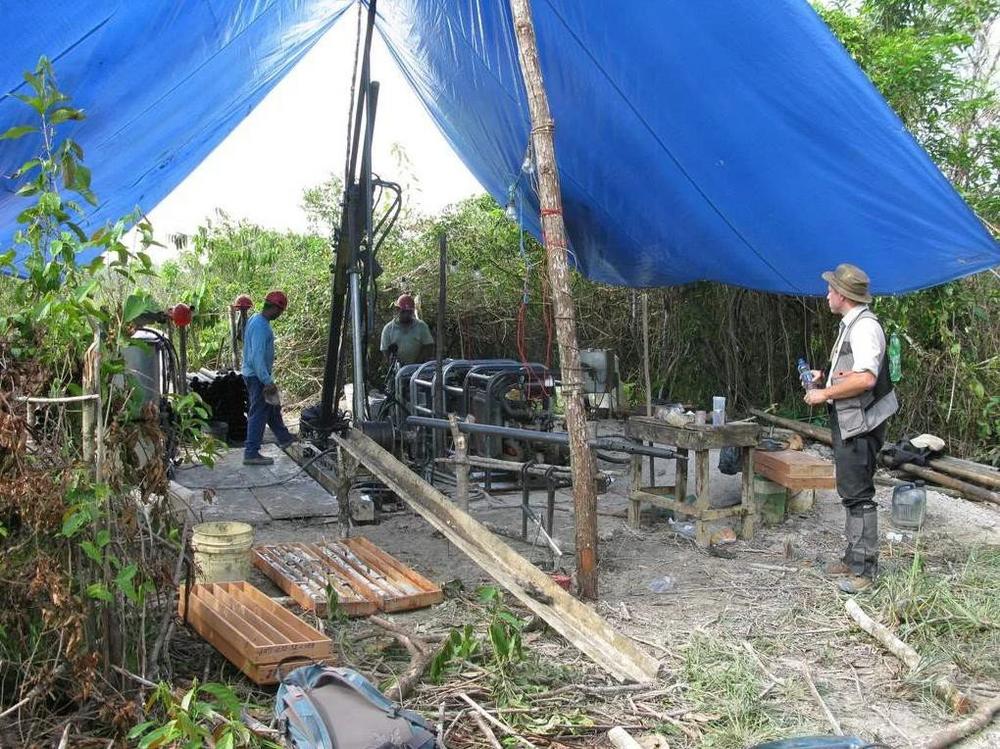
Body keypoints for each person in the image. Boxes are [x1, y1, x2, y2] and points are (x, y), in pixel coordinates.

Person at [803, 264, 898, 592]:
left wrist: (824, 393)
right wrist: (826, 375)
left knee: (859, 494)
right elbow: (852, 370)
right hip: (850, 419)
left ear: (843, 295)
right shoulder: (852, 324)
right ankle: (852, 557)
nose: (827, 295)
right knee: (850, 489)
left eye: (831, 290)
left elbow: (866, 379)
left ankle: (864, 571)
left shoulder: (865, 327)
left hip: (861, 422)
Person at [242, 290, 297, 466]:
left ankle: (284, 438)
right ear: (274, 308)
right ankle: (251, 452)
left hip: (256, 374)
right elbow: (256, 357)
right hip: (258, 376)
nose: (279, 315)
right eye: (280, 311)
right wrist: (267, 381)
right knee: (258, 413)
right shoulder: (261, 326)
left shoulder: (256, 319)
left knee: (272, 407)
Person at [380, 293, 434, 365]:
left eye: (409, 312)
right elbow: (385, 349)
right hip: (398, 368)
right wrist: (392, 362)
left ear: (412, 311)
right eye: (403, 312)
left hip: (419, 366)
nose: (406, 315)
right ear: (397, 310)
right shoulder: (388, 329)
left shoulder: (421, 326)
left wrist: (417, 363)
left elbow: (428, 346)